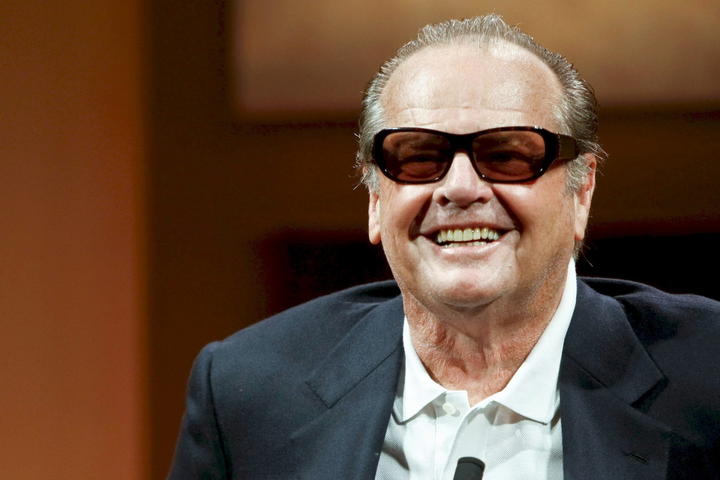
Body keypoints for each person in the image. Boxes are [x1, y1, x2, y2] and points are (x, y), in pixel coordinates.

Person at [168, 15, 720, 479]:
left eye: (507, 155)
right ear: (375, 200)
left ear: (581, 193)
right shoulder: (248, 391)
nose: (459, 188)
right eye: (418, 157)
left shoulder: (708, 372)